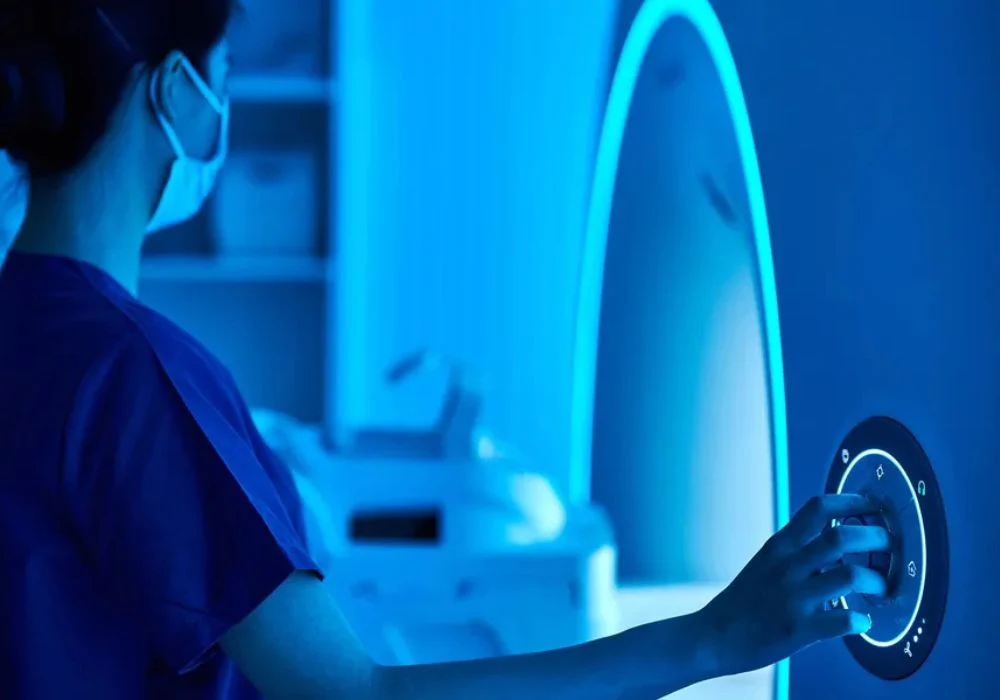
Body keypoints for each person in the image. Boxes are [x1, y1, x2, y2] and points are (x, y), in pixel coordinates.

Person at [0, 2, 891, 698]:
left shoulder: (31, 328)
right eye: (225, 73)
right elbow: (348, 694)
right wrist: (714, 639)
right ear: (174, 92)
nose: (224, 103)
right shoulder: (131, 371)